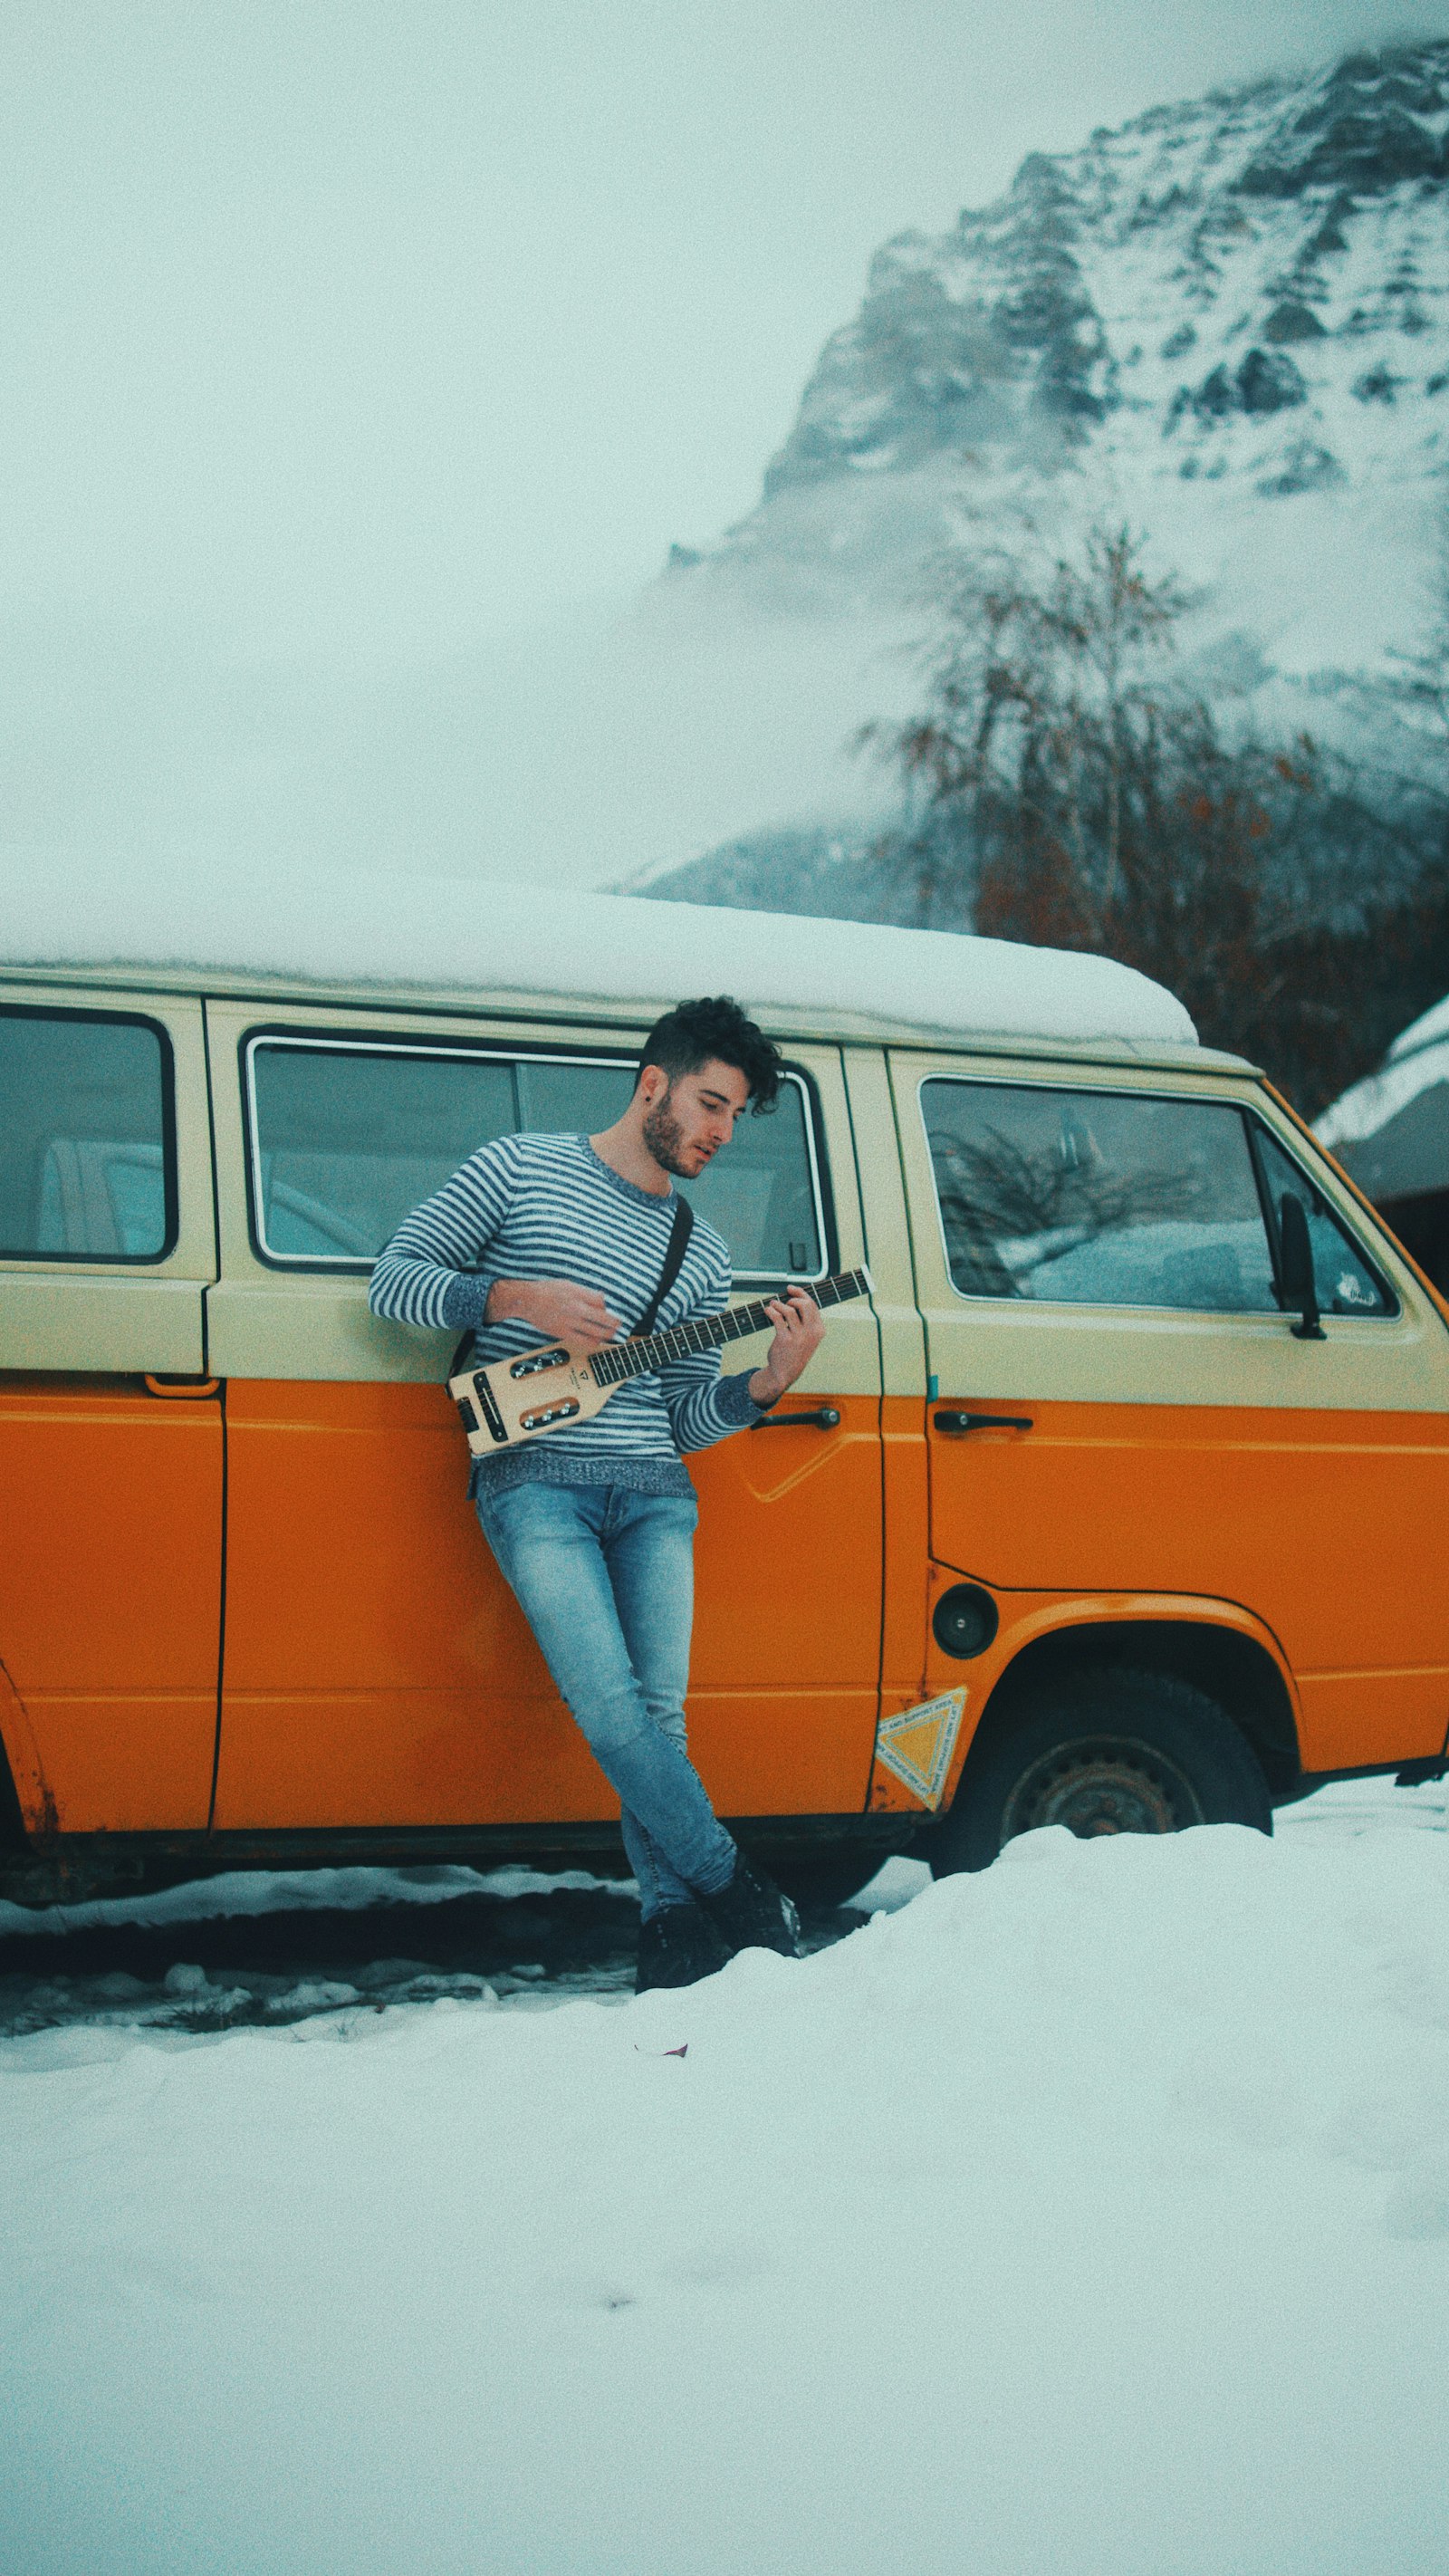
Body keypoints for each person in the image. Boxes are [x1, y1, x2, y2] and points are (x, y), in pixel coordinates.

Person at [368, 995, 826, 1990]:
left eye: (735, 1117)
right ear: (652, 1083)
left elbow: (674, 1416)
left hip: (654, 1495)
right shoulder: (517, 1168)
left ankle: (670, 1929)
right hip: (535, 1484)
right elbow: (390, 1279)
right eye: (709, 1103)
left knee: (660, 1717)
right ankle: (736, 1886)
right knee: (608, 1707)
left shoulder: (697, 1250)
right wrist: (510, 1298)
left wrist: (763, 1385)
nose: (718, 1132)